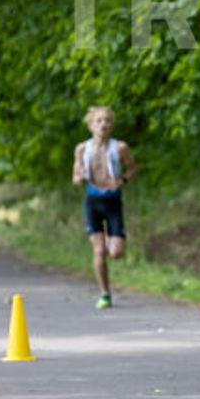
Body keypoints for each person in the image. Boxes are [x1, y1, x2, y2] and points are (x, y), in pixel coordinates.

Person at [72, 106, 138, 310]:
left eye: (108, 121)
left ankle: (110, 236)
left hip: (113, 201)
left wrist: (122, 181)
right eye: (99, 121)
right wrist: (78, 178)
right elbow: (76, 176)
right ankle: (105, 294)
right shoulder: (82, 149)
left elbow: (133, 168)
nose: (104, 124)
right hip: (92, 201)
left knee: (116, 253)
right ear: (90, 125)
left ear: (112, 125)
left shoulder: (120, 148)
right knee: (99, 250)